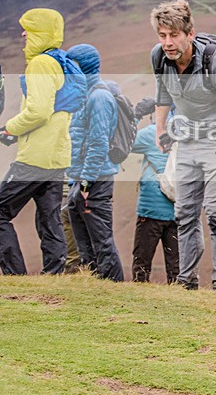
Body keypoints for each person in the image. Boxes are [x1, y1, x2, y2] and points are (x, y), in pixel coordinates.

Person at [150, 0, 216, 291]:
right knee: (184, 212)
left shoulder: (215, 63)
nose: (168, 43)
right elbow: (162, 93)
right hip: (187, 140)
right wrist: (161, 129)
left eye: (174, 35)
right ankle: (186, 280)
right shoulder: (159, 57)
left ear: (190, 33)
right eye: (162, 35)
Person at [0, 9, 71, 275]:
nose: (23, 33)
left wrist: (10, 128)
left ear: (40, 32)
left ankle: (14, 275)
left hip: (36, 157)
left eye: (28, 28)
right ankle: (54, 276)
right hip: (56, 154)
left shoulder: (41, 63)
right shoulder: (60, 61)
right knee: (49, 219)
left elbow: (39, 111)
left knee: (0, 212)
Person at [66, 45, 124, 282]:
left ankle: (113, 288)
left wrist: (87, 181)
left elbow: (98, 142)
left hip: (95, 179)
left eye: (73, 65)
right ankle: (92, 282)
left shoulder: (99, 96)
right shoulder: (84, 94)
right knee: (84, 237)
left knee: (101, 239)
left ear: (83, 65)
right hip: (80, 177)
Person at [130, 97, 179, 283]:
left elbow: (125, 142)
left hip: (150, 210)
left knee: (142, 263)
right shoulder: (185, 134)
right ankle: (181, 302)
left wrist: (136, 116)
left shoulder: (152, 133)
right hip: (178, 209)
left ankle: (140, 300)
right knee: (177, 267)